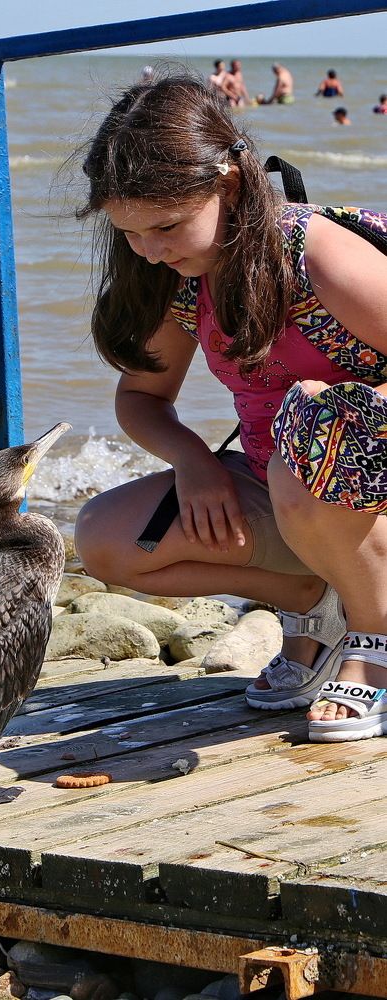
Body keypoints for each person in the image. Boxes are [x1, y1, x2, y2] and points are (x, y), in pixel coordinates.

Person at [74, 71, 387, 743]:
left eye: (165, 226)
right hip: (293, 489)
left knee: (303, 435)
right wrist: (193, 462)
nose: (151, 250)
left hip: (365, 489)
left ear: (230, 184)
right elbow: (140, 397)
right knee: (106, 536)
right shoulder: (184, 283)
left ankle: (377, 636)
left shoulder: (317, 256)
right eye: (130, 233)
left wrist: (345, 413)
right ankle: (314, 601)